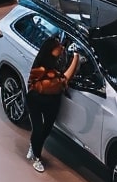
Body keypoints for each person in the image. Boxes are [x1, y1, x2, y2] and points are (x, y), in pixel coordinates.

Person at [26, 35, 79, 173]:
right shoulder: (42, 68)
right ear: (50, 50)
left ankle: (34, 143)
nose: (61, 48)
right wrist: (76, 58)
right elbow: (64, 80)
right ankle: (37, 156)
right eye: (58, 47)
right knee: (38, 128)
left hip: (53, 101)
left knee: (47, 129)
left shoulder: (59, 61)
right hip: (36, 100)